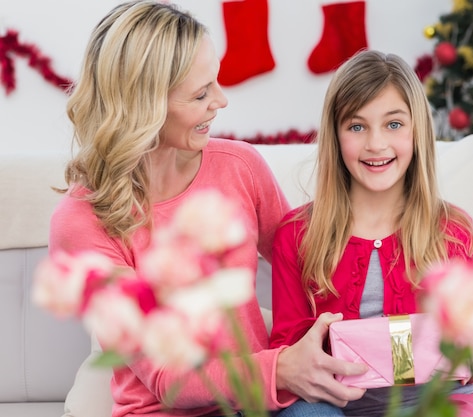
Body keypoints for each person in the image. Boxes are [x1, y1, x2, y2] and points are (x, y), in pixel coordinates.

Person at [48, 1, 367, 416]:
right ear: (145, 107)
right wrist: (282, 369)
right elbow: (168, 380)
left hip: (260, 399)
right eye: (200, 94)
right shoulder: (80, 224)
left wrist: (451, 354)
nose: (220, 101)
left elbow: (318, 270)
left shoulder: (240, 166)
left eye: (214, 83)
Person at [269, 50, 473, 417]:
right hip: (332, 403)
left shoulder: (452, 231)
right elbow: (286, 348)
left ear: (417, 130)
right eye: (357, 127)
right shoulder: (297, 234)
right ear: (336, 136)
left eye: (393, 124)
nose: (376, 144)